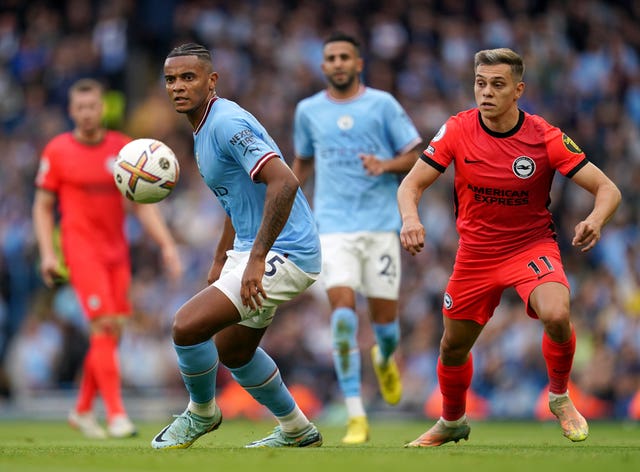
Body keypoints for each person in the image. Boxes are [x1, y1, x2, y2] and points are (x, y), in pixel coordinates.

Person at [397, 48, 622, 447]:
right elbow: (410, 185)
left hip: (529, 247)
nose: (486, 92)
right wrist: (411, 220)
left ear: (518, 90)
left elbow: (608, 189)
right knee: (452, 347)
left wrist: (595, 219)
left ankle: (559, 397)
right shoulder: (456, 130)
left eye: (497, 85)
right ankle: (451, 421)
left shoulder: (545, 137)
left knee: (556, 312)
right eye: (480, 83)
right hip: (475, 254)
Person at [151, 42, 323, 450]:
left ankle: (201, 413)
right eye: (171, 80)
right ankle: (298, 430)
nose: (178, 86)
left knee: (187, 326)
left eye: (188, 77)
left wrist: (257, 259)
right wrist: (220, 259)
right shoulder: (202, 128)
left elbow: (284, 181)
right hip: (251, 249)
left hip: (289, 251)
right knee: (235, 351)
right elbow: (237, 198)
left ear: (211, 81)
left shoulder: (227, 122)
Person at [32, 78, 183, 439]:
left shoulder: (124, 151)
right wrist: (48, 254)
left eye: (92, 107)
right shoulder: (57, 151)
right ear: (72, 111)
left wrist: (167, 244)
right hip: (80, 251)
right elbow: (42, 207)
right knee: (103, 327)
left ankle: (82, 410)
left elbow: (141, 206)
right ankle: (116, 414)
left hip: (117, 253)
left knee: (111, 333)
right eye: (80, 108)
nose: (86, 113)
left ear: (103, 109)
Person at [292, 31, 422, 444]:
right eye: (331, 57)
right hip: (332, 228)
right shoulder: (308, 111)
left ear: (358, 63)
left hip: (381, 226)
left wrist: (385, 165)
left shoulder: (381, 105)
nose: (338, 63)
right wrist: (284, 204)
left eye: (345, 56)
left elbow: (417, 156)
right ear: (323, 65)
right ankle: (355, 414)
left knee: (384, 323)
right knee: (344, 317)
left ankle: (385, 357)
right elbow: (303, 162)